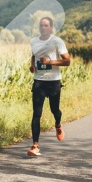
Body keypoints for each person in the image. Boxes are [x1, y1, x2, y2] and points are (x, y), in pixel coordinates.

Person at [27, 17, 70, 157]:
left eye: (46, 25)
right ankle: (35, 146)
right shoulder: (33, 41)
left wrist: (50, 62)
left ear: (51, 27)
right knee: (36, 113)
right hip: (39, 81)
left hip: (53, 82)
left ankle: (58, 124)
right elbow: (34, 56)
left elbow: (67, 61)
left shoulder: (57, 41)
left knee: (55, 110)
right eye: (41, 25)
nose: (43, 28)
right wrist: (33, 66)